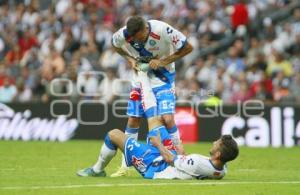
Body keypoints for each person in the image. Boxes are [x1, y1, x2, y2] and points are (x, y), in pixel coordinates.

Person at [110, 15, 193, 177]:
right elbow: (115, 45)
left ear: (146, 29)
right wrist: (129, 59)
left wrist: (163, 61)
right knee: (133, 119)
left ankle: (181, 155)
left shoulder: (162, 29)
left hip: (163, 79)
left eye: (139, 37)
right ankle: (124, 167)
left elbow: (188, 47)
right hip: (140, 78)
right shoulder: (125, 34)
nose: (136, 41)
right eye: (132, 38)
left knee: (167, 118)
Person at [76, 125, 239, 180]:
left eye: (216, 143)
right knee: (158, 127)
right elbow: (185, 161)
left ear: (217, 154)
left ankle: (97, 170)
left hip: (154, 167)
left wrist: (159, 144)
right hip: (163, 162)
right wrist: (178, 146)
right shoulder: (222, 169)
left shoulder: (197, 162)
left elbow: (170, 159)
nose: (213, 142)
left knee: (113, 135)